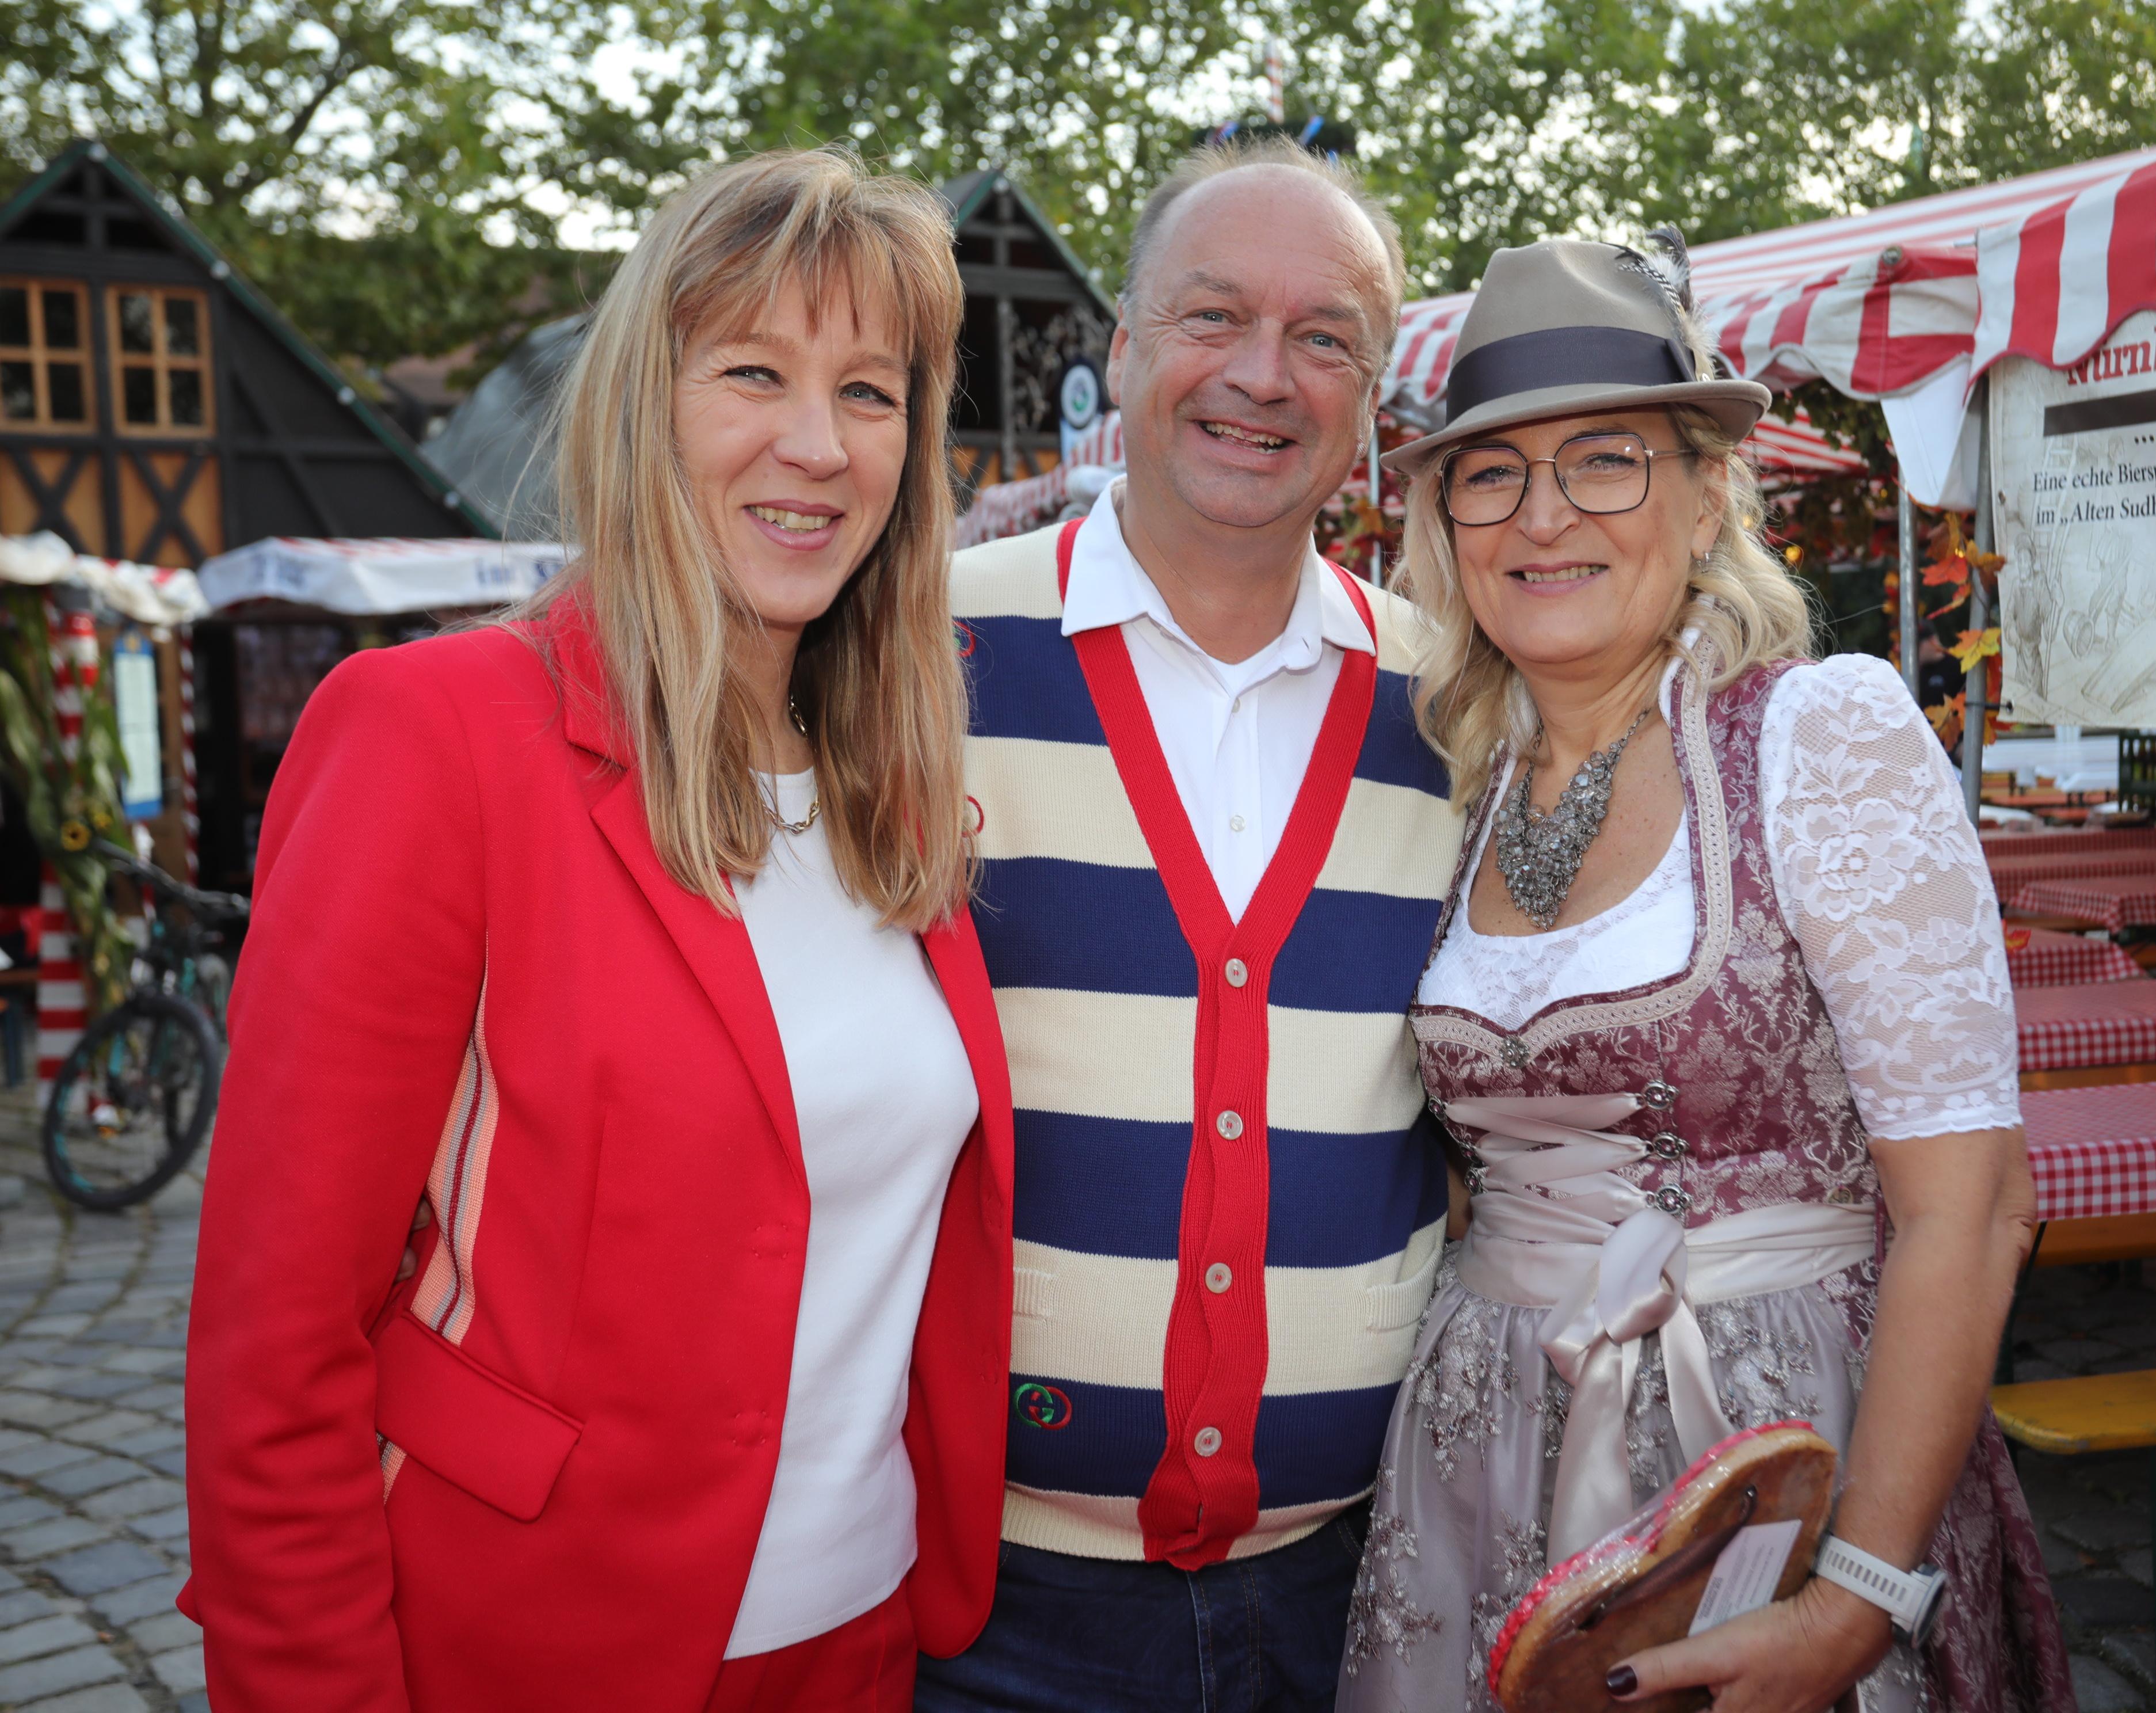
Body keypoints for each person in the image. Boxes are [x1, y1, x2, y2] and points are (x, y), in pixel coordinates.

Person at [182, 149, 1015, 1711]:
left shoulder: (889, 791)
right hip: (536, 1637)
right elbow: (274, 1348)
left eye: (871, 393)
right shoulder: (435, 739)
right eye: (753, 373)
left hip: (864, 1636)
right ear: (648, 403)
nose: (815, 446)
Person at [1337, 236, 2075, 1713]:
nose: (1542, 517)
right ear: (1445, 518)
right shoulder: (1453, 781)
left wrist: (1859, 1599)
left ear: (1705, 491)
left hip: (1777, 1460)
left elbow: (1974, 1205)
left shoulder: (1819, 738)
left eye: (1603, 462)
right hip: (1477, 1460)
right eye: (1491, 476)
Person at [917, 138, 1462, 1711]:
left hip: (1355, 1585)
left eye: (1326, 337)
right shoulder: (922, 656)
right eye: (1214, 317)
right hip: (983, 1607)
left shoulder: (1462, 707)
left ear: (1371, 399)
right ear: (1126, 348)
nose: (1264, 378)